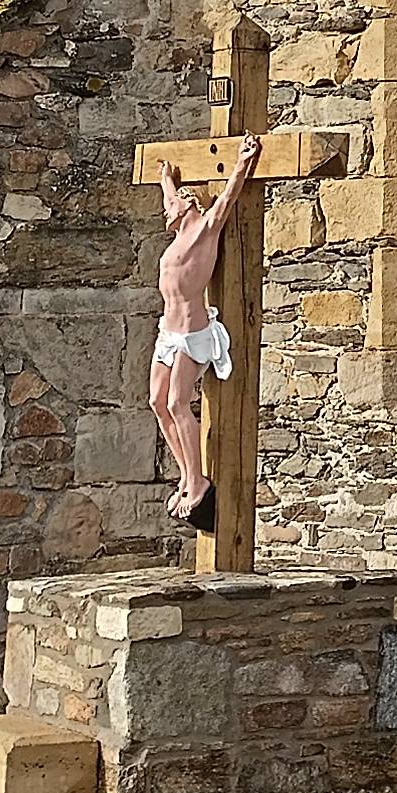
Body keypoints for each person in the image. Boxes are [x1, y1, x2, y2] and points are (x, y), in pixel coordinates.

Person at [149, 145, 261, 524]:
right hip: (167, 331)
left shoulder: (205, 228)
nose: (166, 209)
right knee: (156, 402)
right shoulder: (178, 228)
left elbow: (229, 194)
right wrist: (167, 177)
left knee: (179, 403)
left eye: (173, 203)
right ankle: (184, 473)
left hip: (192, 330)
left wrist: (244, 161)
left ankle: (197, 482)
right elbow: (168, 195)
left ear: (189, 203)